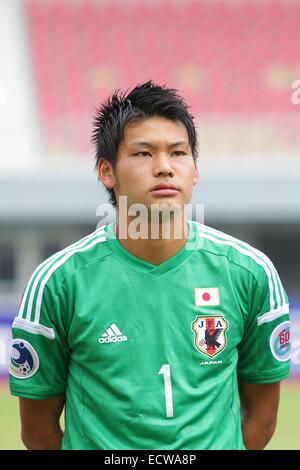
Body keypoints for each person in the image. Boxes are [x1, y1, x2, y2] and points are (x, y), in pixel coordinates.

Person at [9, 81, 291, 450]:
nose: (164, 168)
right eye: (143, 154)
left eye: (178, 153)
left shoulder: (250, 273)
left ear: (195, 171)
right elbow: (38, 432)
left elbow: (262, 416)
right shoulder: (59, 282)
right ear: (107, 172)